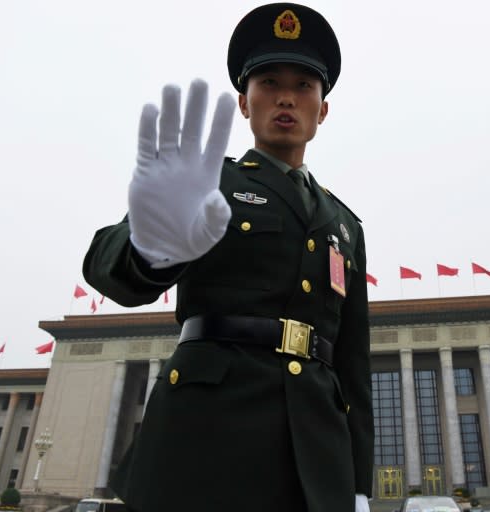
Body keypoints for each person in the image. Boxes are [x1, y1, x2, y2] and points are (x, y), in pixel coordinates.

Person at [82, 3, 373, 512]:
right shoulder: (206, 181)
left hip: (315, 452)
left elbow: (353, 363)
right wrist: (151, 251)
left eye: (304, 85)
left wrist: (359, 483)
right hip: (208, 431)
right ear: (244, 102)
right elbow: (107, 265)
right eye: (268, 82)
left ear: (322, 108)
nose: (286, 97)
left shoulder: (344, 224)